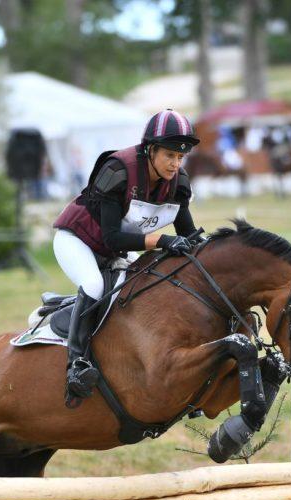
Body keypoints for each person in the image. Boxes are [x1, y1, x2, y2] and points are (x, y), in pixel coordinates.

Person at [52, 109, 201, 402]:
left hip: (117, 251)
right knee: (94, 287)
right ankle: (77, 365)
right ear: (150, 150)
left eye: (181, 157)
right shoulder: (118, 170)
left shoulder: (178, 184)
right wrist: (162, 240)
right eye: (169, 155)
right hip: (78, 240)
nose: (175, 163)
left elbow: (189, 236)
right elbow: (111, 237)